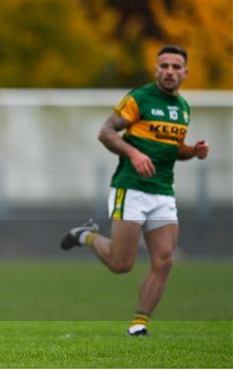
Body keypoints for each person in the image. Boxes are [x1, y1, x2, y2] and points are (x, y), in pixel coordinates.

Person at [60, 45, 209, 336]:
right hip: (131, 187)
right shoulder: (139, 98)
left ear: (185, 73)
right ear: (156, 69)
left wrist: (194, 151)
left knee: (164, 259)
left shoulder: (183, 108)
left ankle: (139, 324)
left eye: (176, 67)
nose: (169, 71)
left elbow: (173, 148)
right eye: (164, 65)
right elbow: (106, 132)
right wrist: (134, 154)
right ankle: (86, 236)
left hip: (163, 191)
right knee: (121, 264)